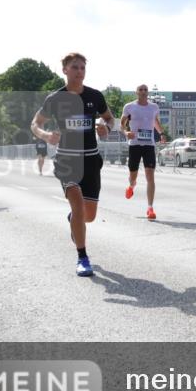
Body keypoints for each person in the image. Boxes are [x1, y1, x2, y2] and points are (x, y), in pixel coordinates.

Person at [31, 52, 115, 277]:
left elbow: (109, 118)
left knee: (88, 216)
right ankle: (82, 257)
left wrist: (107, 127)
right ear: (65, 70)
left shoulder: (95, 96)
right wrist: (45, 134)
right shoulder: (55, 99)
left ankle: (73, 220)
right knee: (77, 206)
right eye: (75, 67)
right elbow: (35, 123)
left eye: (82, 68)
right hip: (67, 159)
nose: (80, 71)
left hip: (91, 158)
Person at [121, 84, 166, 220]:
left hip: (149, 146)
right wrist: (126, 132)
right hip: (134, 144)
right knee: (133, 176)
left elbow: (155, 121)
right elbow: (122, 124)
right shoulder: (129, 107)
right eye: (141, 90)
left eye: (145, 90)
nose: (143, 92)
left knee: (150, 177)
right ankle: (131, 186)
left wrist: (162, 133)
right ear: (136, 92)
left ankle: (150, 208)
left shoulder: (154, 107)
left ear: (148, 93)